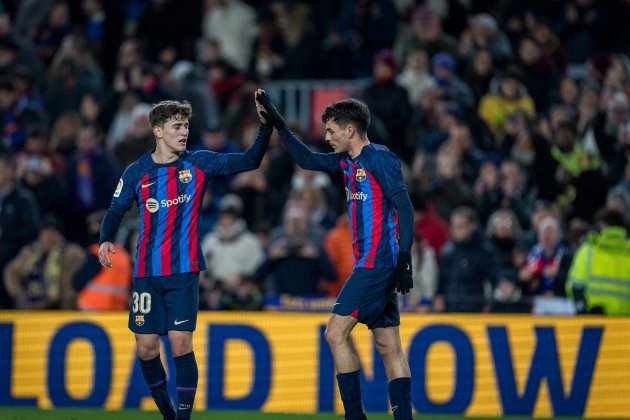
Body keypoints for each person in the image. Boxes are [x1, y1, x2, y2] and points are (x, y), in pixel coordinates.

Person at [97, 98, 271, 420]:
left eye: (186, 126)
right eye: (177, 126)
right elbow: (115, 210)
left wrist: (265, 126)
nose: (184, 132)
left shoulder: (199, 163)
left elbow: (250, 161)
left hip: (184, 270)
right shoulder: (137, 171)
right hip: (147, 273)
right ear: (158, 130)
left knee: (179, 343)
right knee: (146, 347)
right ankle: (168, 414)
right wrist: (105, 239)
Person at [256, 90, 414, 420]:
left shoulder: (379, 159)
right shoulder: (346, 163)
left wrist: (403, 259)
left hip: (376, 263)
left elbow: (405, 208)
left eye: (331, 131)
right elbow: (306, 159)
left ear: (349, 130)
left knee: (334, 332)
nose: (327, 138)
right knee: (388, 344)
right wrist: (278, 122)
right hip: (372, 263)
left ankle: (354, 416)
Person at [567, 209, 630, 315]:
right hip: (626, 323)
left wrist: (582, 310)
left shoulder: (588, 250)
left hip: (596, 322)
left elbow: (576, 285)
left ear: (603, 225)